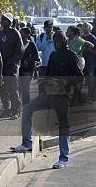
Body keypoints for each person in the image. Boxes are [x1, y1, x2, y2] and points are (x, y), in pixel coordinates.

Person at [11, 31, 82, 169]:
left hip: (62, 96)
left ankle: (63, 158)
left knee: (63, 125)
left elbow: (80, 77)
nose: (57, 44)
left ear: (64, 42)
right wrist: (42, 82)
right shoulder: (53, 55)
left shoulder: (71, 56)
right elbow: (48, 74)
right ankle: (27, 143)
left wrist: (70, 89)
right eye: (55, 42)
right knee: (27, 110)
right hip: (49, 94)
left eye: (59, 42)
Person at [0, 13, 23, 119]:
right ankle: (6, 109)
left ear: (10, 21)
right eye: (2, 19)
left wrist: (12, 61)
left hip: (11, 67)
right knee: (2, 89)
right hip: (1, 67)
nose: (2, 21)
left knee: (12, 89)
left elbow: (20, 51)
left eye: (4, 20)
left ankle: (16, 110)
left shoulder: (15, 33)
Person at [19, 27, 40, 107]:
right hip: (19, 69)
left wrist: (28, 60)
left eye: (22, 33)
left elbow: (37, 57)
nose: (21, 34)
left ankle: (26, 105)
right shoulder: (19, 44)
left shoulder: (31, 44)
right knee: (19, 88)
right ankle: (19, 105)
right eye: (20, 33)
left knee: (25, 87)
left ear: (28, 34)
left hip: (28, 69)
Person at [79, 23, 96, 100]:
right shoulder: (80, 37)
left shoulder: (92, 38)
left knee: (90, 78)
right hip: (82, 60)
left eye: (86, 26)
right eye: (83, 26)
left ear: (89, 28)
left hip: (90, 61)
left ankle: (90, 95)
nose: (84, 28)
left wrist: (87, 49)